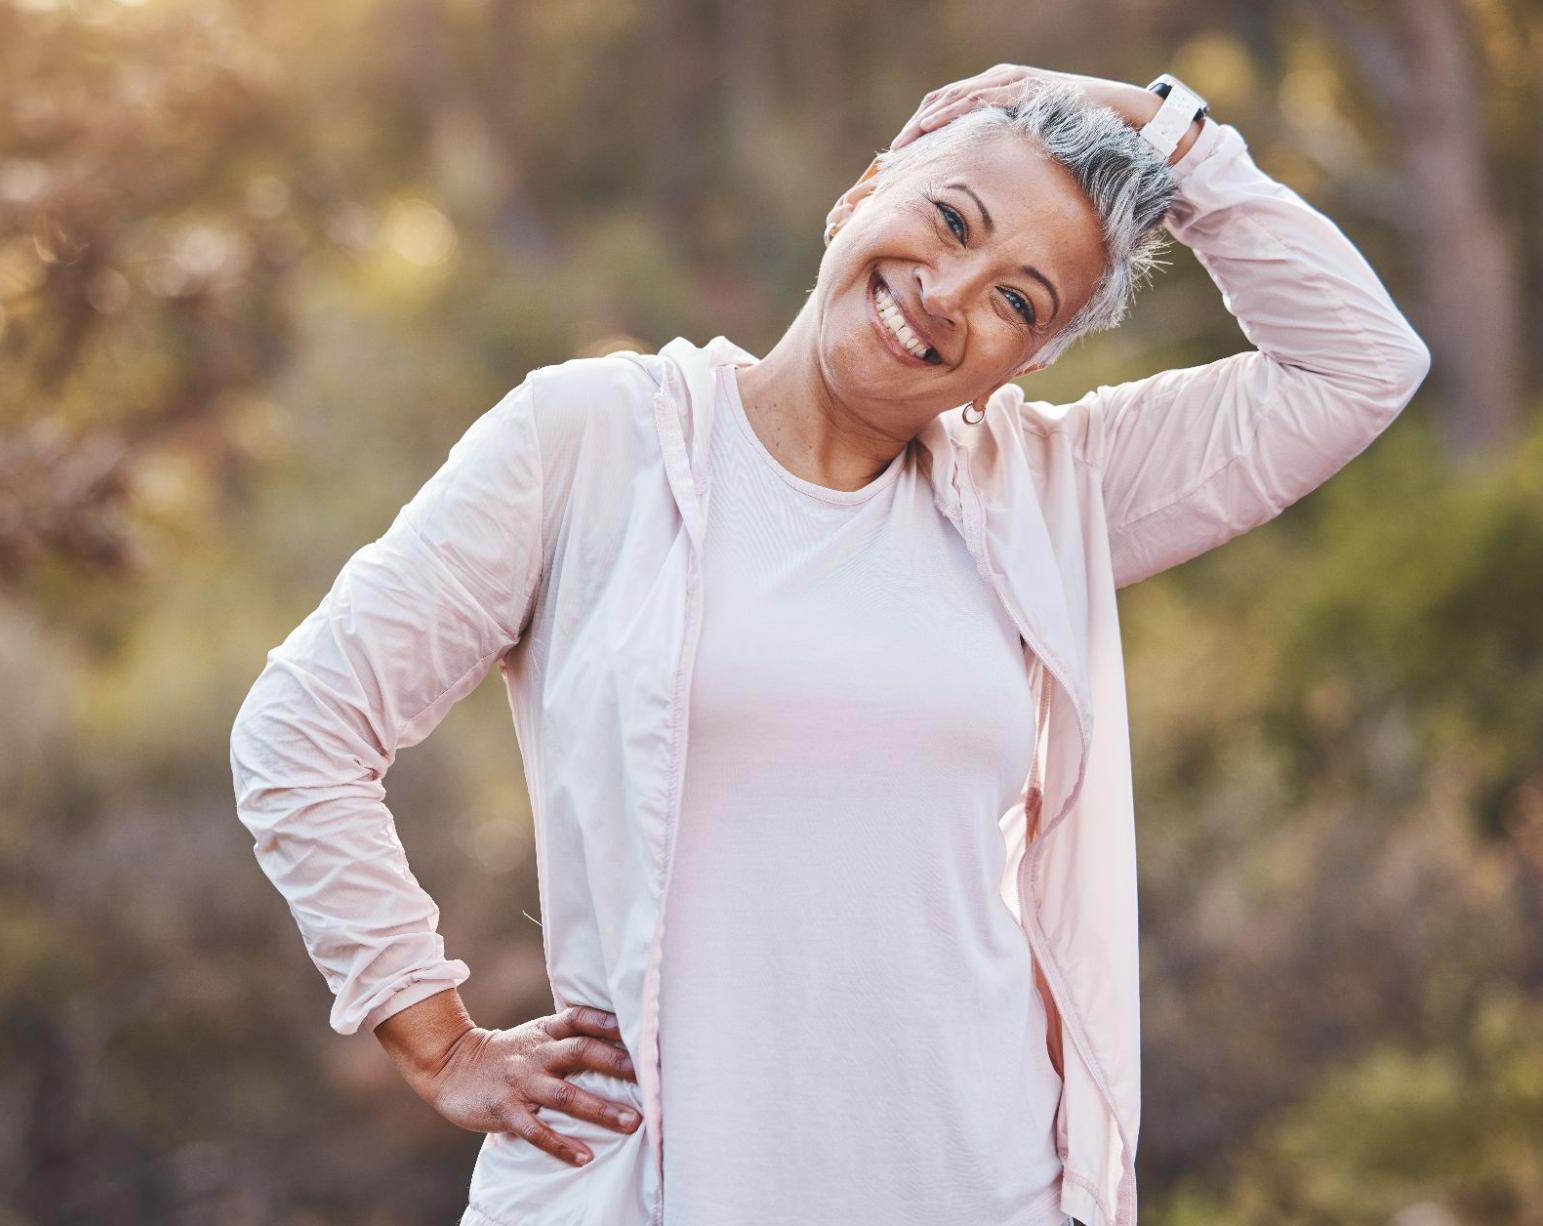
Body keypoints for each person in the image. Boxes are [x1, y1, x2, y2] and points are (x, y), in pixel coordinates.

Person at [230, 63, 1431, 1226]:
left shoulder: (1058, 491)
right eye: (948, 220)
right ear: (863, 190)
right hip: (652, 1188)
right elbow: (302, 729)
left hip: (980, 1185)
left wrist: (1158, 124)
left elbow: (1363, 363)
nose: (950, 294)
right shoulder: (588, 442)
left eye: (1020, 300)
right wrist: (435, 1038)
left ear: (1033, 359)